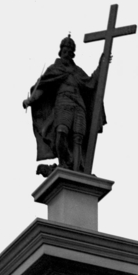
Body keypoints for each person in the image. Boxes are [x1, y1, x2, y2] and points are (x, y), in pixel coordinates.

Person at [24, 35, 105, 174]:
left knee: (78, 138)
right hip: (63, 102)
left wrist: (101, 65)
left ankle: (77, 168)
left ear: (73, 53)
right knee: (61, 132)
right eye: (65, 49)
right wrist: (30, 100)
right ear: (61, 51)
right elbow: (42, 88)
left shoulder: (77, 71)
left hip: (79, 105)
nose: (67, 52)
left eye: (70, 50)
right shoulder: (54, 69)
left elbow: (91, 83)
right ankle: (64, 163)